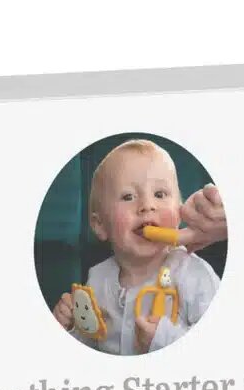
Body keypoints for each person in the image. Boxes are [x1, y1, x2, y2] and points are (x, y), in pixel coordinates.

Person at [53, 140, 226, 352]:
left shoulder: (194, 275)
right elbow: (91, 342)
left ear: (180, 213)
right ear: (100, 225)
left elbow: (218, 346)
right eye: (128, 197)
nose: (147, 205)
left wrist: (162, 340)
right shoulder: (97, 279)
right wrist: (71, 327)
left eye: (160, 194)